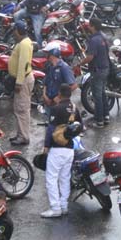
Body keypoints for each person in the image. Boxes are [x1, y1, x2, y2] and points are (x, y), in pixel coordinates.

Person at [41, 83, 81, 218]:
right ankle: (64, 206)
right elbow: (81, 126)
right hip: (69, 149)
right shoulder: (75, 108)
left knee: (51, 178)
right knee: (65, 178)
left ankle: (55, 207)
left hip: (57, 149)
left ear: (59, 93)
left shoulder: (56, 109)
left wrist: (46, 146)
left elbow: (51, 129)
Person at [7, 21, 34, 146]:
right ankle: (21, 134)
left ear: (18, 31)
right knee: (20, 108)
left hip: (23, 80)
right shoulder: (25, 42)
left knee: (22, 109)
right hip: (24, 78)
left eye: (14, 31)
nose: (13, 33)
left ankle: (23, 137)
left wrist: (18, 82)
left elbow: (23, 64)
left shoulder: (23, 44)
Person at [80, 18, 110, 127]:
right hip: (105, 68)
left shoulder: (94, 40)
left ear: (92, 26)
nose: (88, 27)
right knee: (102, 93)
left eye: (89, 25)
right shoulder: (104, 37)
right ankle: (106, 116)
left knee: (97, 96)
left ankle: (99, 121)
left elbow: (90, 57)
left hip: (97, 71)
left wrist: (80, 63)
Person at [41, 44, 76, 110]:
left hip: (59, 104)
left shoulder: (64, 67)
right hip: (49, 103)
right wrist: (44, 95)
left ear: (52, 54)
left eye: (47, 53)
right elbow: (45, 82)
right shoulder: (50, 66)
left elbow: (73, 85)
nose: (46, 55)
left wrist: (58, 98)